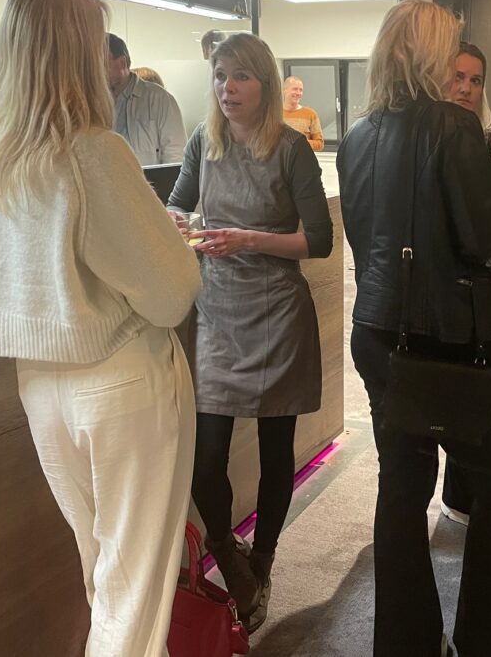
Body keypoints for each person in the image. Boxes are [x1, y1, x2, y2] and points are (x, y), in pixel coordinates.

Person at [0, 0, 201, 657]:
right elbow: (172, 292)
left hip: (39, 384)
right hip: (124, 380)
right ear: (83, 51)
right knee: (133, 591)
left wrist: (26, 291)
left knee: (104, 576)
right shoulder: (94, 149)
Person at [338, 1, 491, 657]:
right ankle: (488, 643)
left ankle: (406, 644)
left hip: (377, 331)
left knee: (401, 485)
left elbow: (362, 238)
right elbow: (482, 241)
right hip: (443, 338)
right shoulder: (454, 126)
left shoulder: (358, 135)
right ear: (429, 54)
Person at [167, 32, 332, 633]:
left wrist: (248, 239)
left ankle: (262, 558)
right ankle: (228, 553)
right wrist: (177, 222)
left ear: (264, 83)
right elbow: (177, 204)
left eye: (240, 76)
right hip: (216, 310)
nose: (227, 88)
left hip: (276, 311)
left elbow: (320, 240)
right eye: (220, 76)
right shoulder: (202, 140)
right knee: (204, 456)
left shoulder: (290, 148)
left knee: (274, 448)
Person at [439, 41, 491, 528]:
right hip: (446, 289)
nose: (467, 88)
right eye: (458, 77)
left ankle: (468, 494)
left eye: (476, 80)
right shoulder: (426, 139)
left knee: (482, 390)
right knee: (451, 393)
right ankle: (457, 493)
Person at [107, 34, 187, 165]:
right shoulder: (91, 103)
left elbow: (175, 157)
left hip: (149, 179)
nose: (93, 71)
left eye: (100, 63)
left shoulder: (159, 99)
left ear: (122, 63)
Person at [282, 76, 325, 151]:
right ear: (284, 90)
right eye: (295, 89)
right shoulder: (273, 114)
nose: (298, 93)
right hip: (279, 158)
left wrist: (301, 143)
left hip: (302, 157)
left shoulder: (311, 114)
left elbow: (320, 144)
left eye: (301, 90)